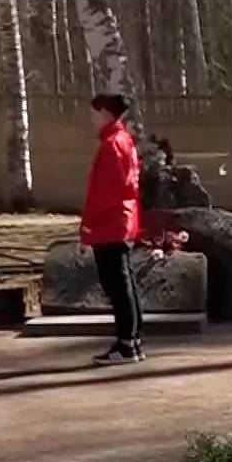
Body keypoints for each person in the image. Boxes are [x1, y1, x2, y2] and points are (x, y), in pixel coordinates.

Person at [81, 93, 144, 365]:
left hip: (110, 223)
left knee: (117, 285)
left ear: (105, 112)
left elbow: (104, 192)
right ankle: (133, 340)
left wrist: (89, 225)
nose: (91, 119)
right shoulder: (123, 140)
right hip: (122, 220)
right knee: (124, 282)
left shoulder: (112, 145)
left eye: (94, 113)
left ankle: (126, 344)